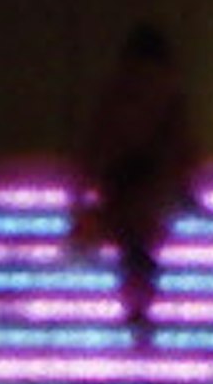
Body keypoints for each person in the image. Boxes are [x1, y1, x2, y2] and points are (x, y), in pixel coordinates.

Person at [72, 24, 195, 343]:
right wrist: (186, 182)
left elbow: (97, 138)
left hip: (119, 180)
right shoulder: (170, 89)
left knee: (131, 249)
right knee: (140, 249)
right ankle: (141, 308)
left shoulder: (116, 88)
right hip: (151, 183)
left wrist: (83, 187)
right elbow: (180, 140)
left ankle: (136, 308)